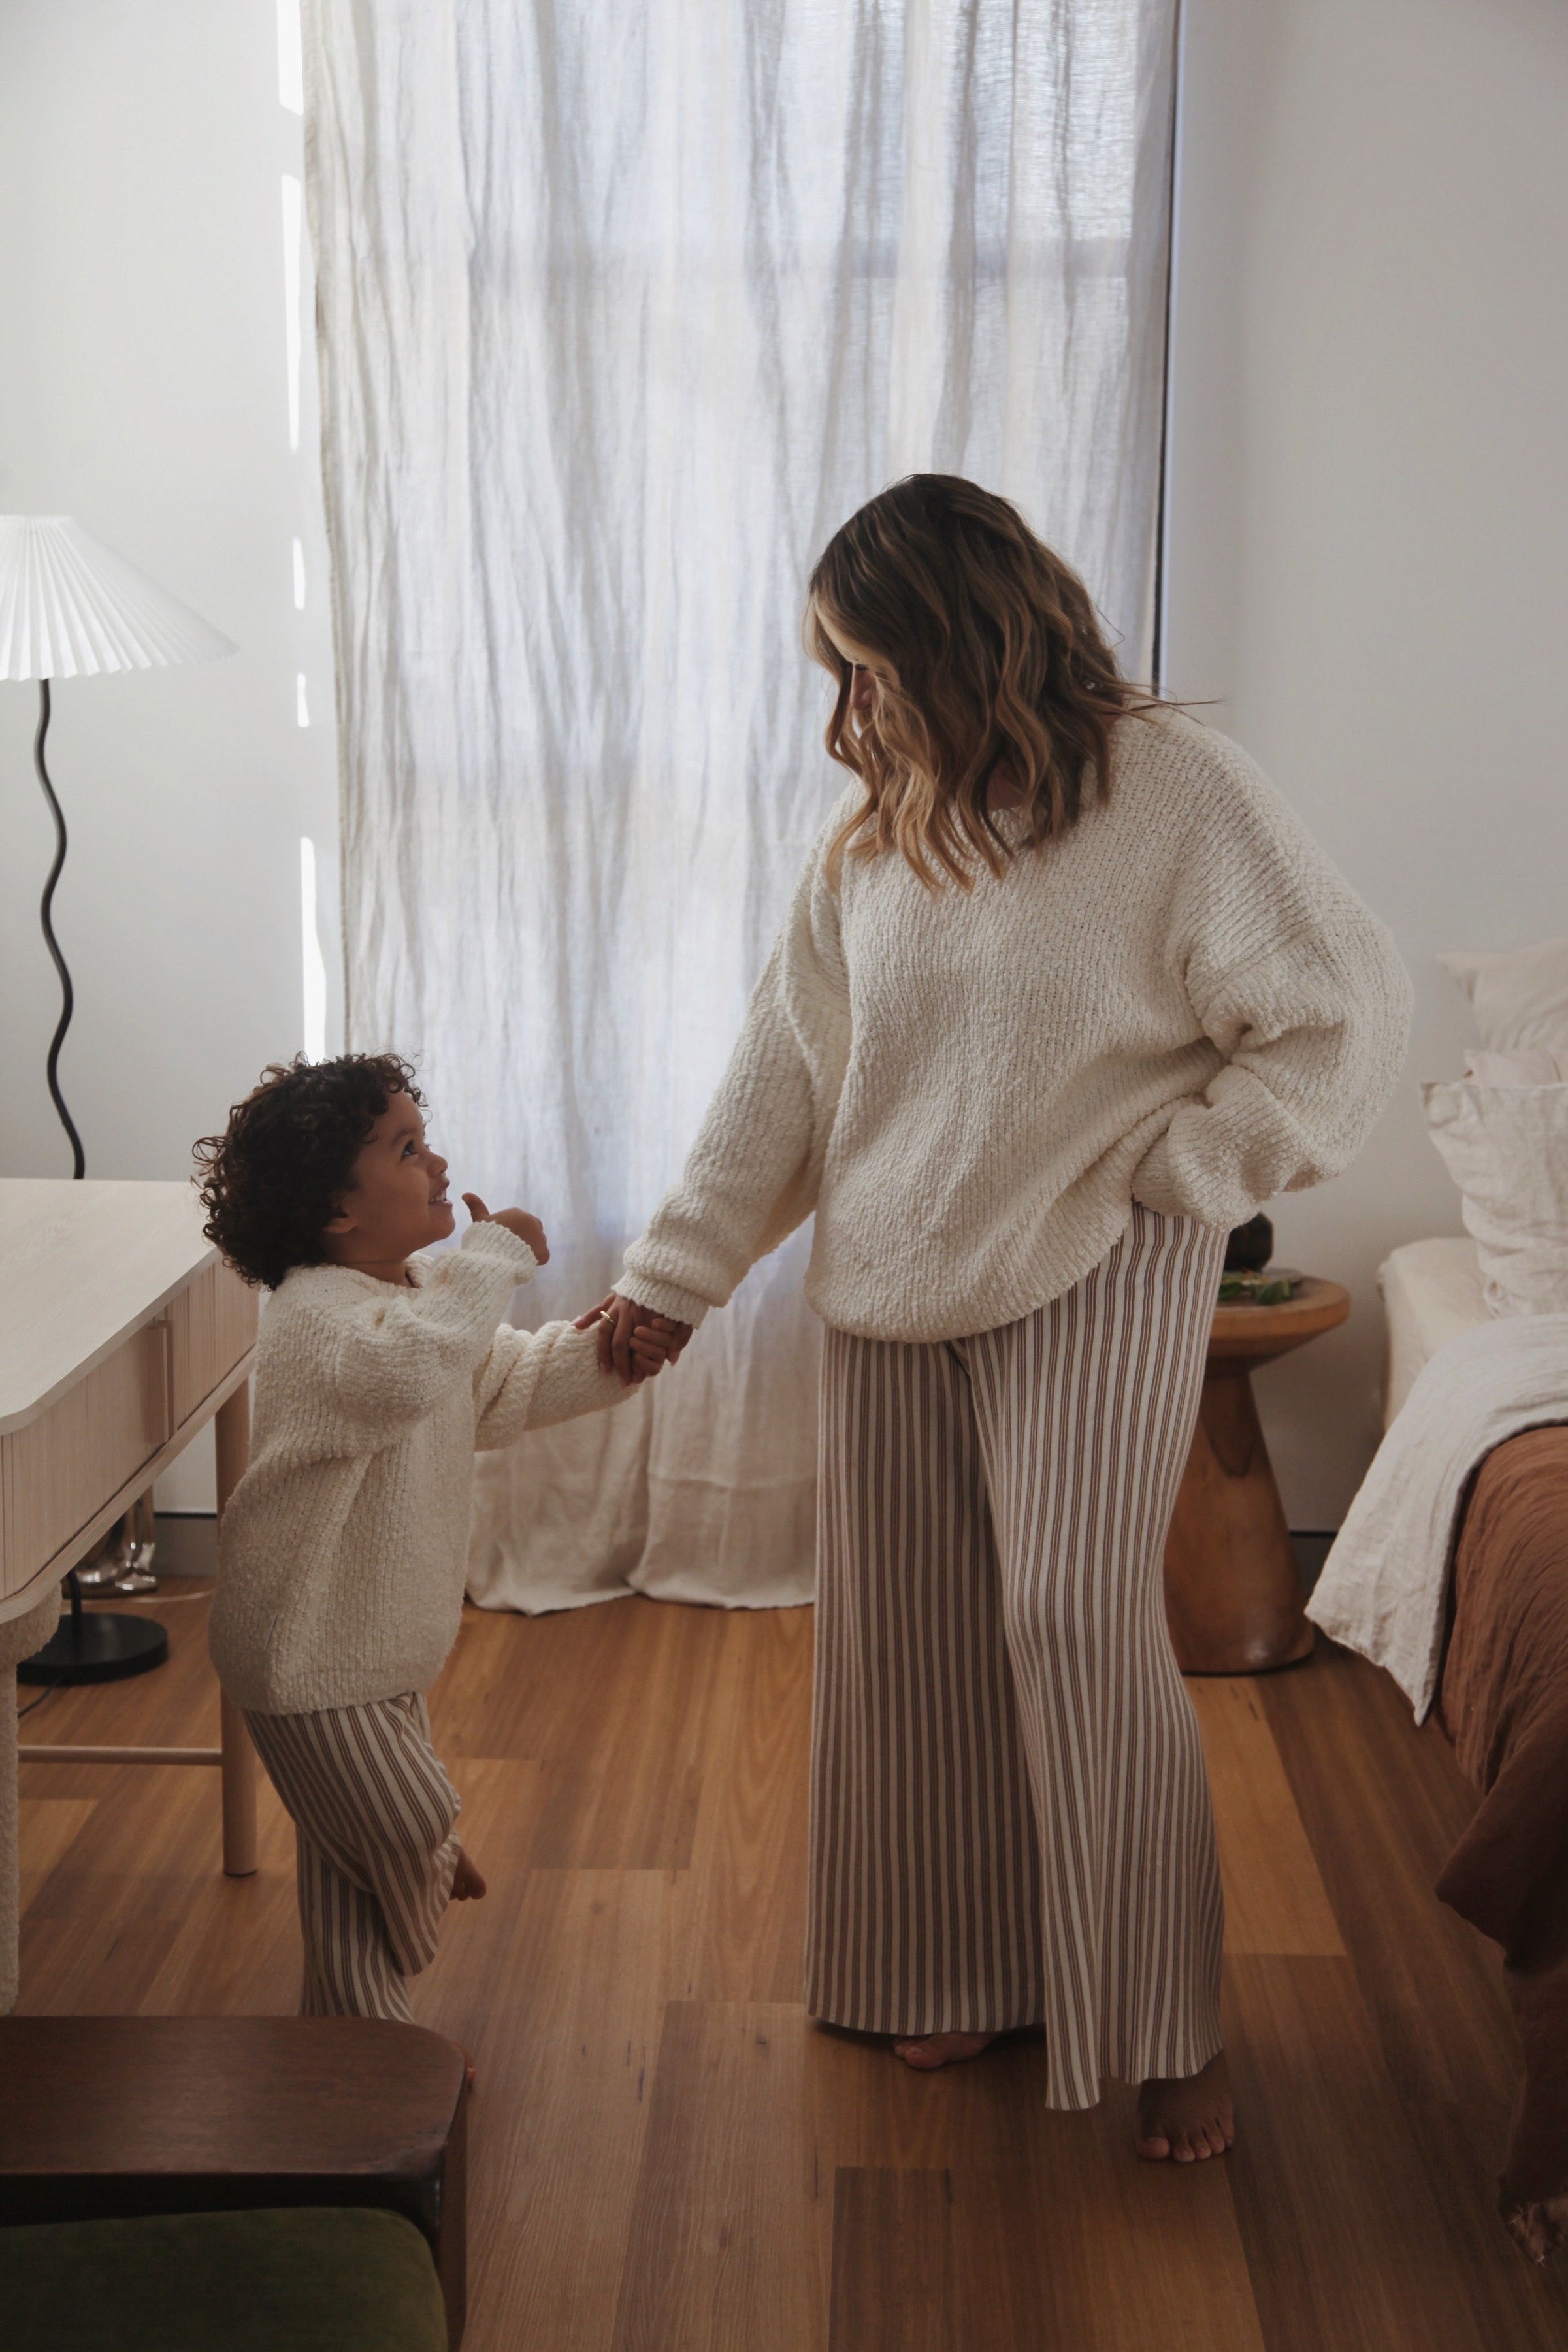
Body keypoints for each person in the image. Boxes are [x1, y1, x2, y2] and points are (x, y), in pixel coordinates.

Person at [583, 474, 1413, 2161]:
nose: (851, 704)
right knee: (918, 1646)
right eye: (837, 669)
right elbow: (785, 1080)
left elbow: (1342, 1011)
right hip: (892, 1276)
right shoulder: (876, 835)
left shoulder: (1175, 790)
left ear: (965, 635)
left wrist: (1192, 1164)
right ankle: (958, 1961)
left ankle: (1169, 2021)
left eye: (870, 664)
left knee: (1069, 1619)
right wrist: (674, 1276)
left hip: (1100, 1254)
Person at [198, 1053, 677, 2034]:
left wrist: (606, 1355)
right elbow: (406, 1374)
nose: (438, 1162)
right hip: (301, 1651)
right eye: (407, 1149)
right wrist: (490, 1258)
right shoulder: (314, 1317)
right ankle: (422, 1857)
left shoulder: (417, 1296)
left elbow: (500, 1384)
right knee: (411, 1819)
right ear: (337, 1212)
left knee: (346, 1888)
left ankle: (361, 2055)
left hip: (373, 1647)